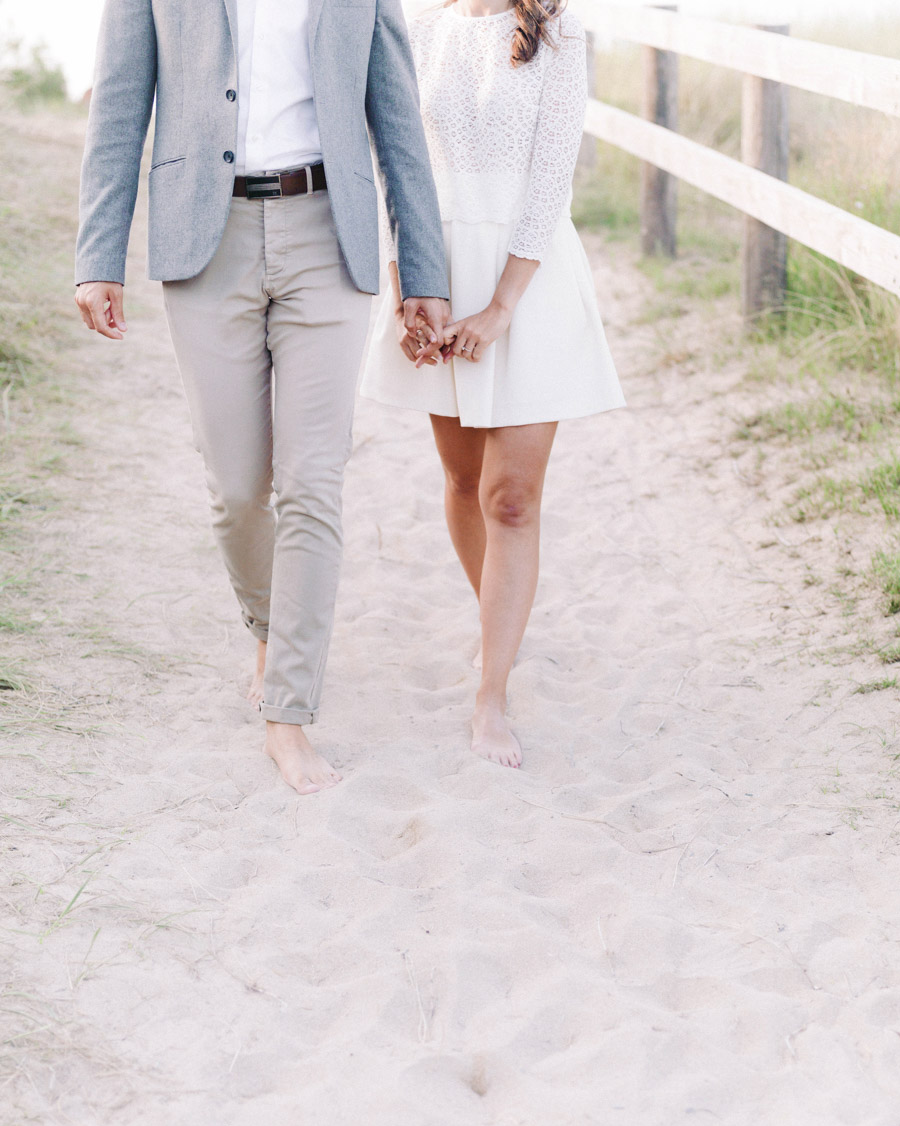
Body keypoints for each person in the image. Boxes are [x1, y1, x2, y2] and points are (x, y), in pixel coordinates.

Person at [74, 0, 450, 795]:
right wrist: (96, 254)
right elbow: (117, 103)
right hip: (205, 238)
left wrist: (424, 272)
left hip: (328, 231)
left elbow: (398, 119)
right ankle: (271, 630)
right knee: (239, 490)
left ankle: (289, 712)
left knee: (313, 481)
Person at [361, 0, 624, 769]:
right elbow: (393, 157)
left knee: (511, 495)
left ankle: (493, 693)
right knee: (462, 476)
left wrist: (503, 304)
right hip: (437, 269)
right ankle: (497, 628)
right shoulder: (419, 26)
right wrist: (407, 278)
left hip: (525, 278)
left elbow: (550, 180)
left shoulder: (560, 30)